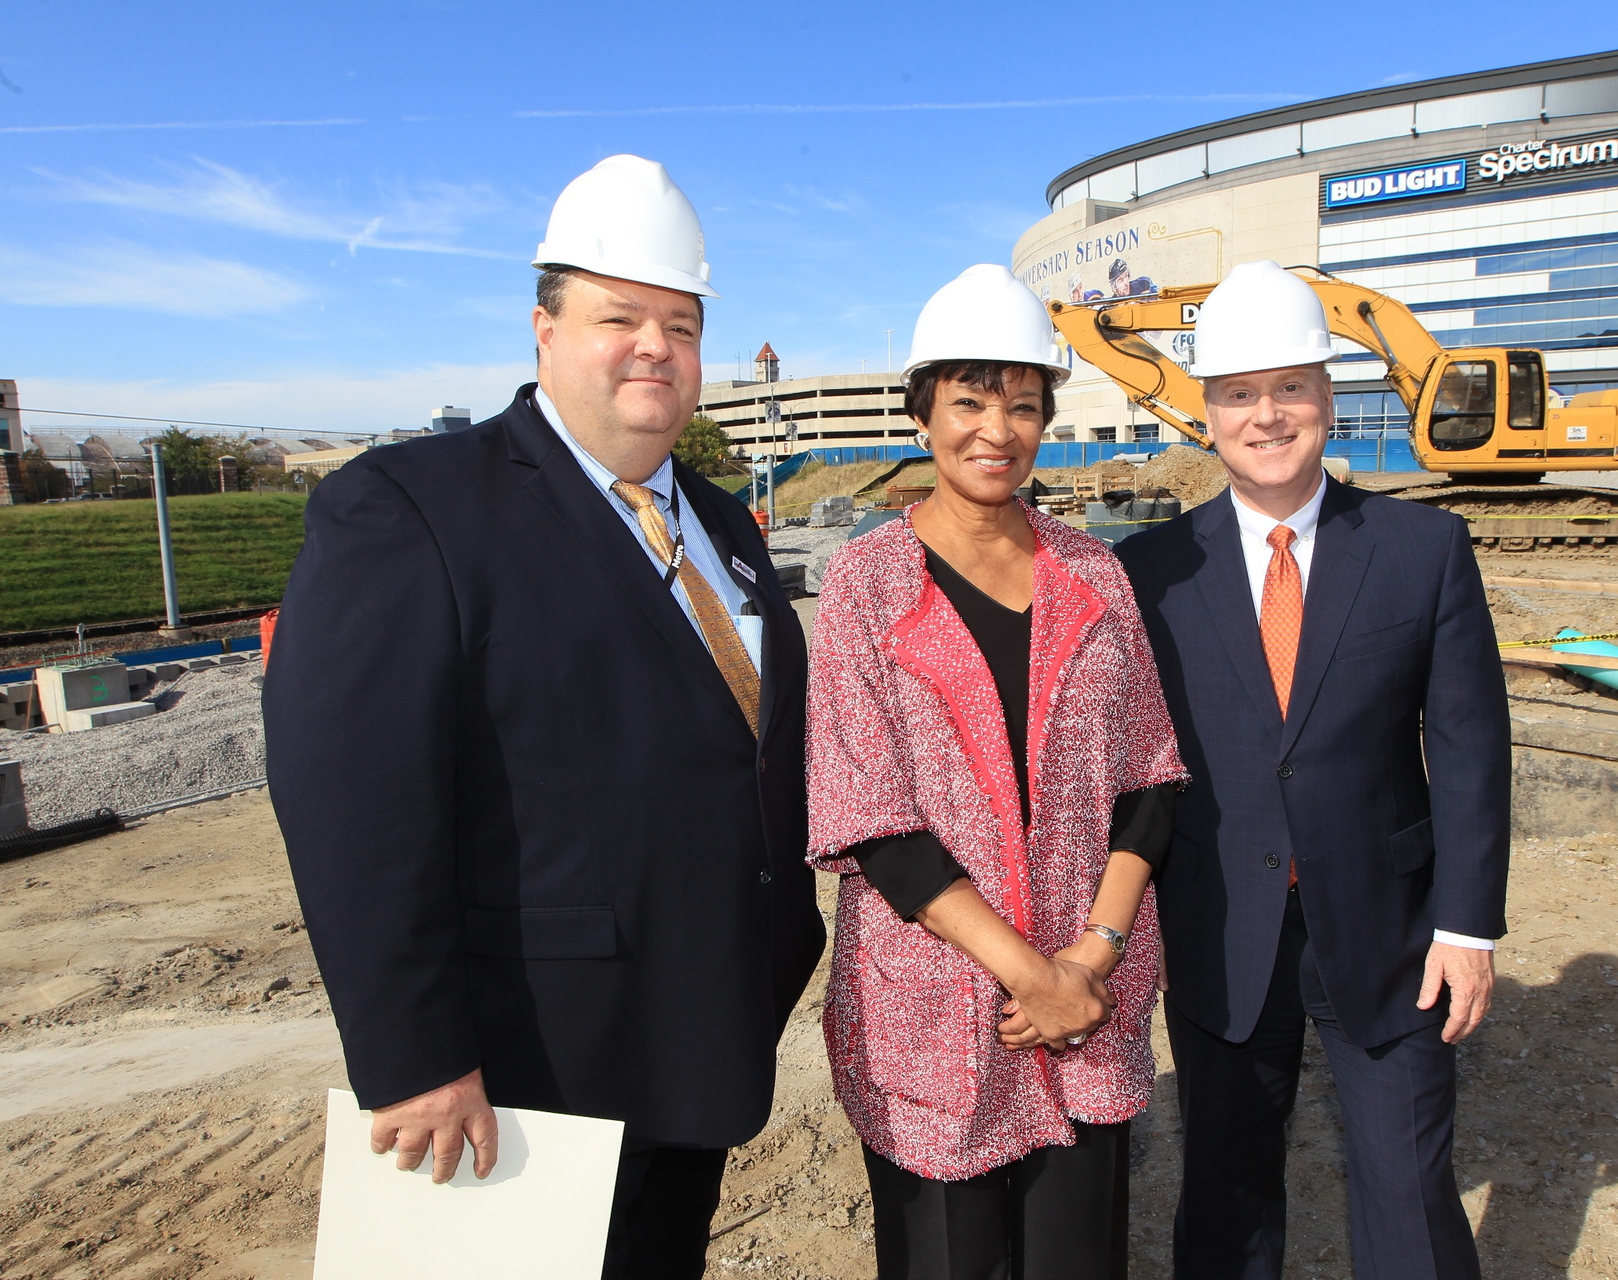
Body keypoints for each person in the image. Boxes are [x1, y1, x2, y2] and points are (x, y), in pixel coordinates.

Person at [264, 155, 825, 1280]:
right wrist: (417, 1055)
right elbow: (354, 803)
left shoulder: (725, 524)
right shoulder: (413, 507)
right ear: (543, 328)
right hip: (527, 1068)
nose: (653, 346)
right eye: (619, 315)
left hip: (699, 1032)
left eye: (680, 320)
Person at [1114, 260, 1510, 1280]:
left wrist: (1468, 925)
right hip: (1220, 929)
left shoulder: (1424, 549)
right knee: (1226, 1192)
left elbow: (1468, 745)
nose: (1268, 414)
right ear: (1207, 411)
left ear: (1330, 395)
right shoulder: (1151, 570)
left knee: (1411, 1191)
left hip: (1391, 929)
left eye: (1291, 385)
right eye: (1241, 392)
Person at [805, 264, 1187, 1280]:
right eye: (969, 400)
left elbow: (1150, 779)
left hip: (1086, 999)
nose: (996, 428)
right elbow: (870, 815)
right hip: (936, 1008)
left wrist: (1090, 961)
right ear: (924, 411)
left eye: (1023, 404)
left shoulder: (1093, 574)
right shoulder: (866, 582)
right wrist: (1034, 977)